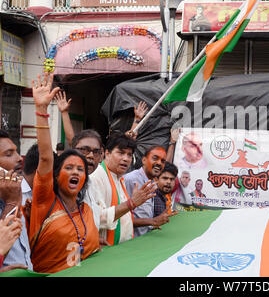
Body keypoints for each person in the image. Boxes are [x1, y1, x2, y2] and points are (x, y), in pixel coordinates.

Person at [28, 72, 99, 273]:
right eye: (68, 168)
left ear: (85, 177)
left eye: (80, 169)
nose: (75, 171)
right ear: (56, 176)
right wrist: (41, 109)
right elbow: (45, 158)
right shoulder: (45, 202)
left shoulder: (85, 210)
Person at [89, 132, 158, 245]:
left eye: (129, 155)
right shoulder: (96, 178)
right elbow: (96, 218)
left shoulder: (119, 178)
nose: (126, 159)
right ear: (107, 153)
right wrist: (131, 204)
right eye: (120, 153)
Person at [124, 145, 175, 237]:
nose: (159, 163)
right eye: (155, 158)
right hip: (129, 242)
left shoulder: (151, 182)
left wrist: (151, 225)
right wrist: (153, 221)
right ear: (144, 160)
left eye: (163, 161)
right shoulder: (131, 180)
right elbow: (120, 220)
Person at [0, 130, 32, 272]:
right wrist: (11, 204)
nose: (19, 158)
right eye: (9, 154)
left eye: (17, 152)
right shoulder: (13, 198)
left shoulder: (17, 194)